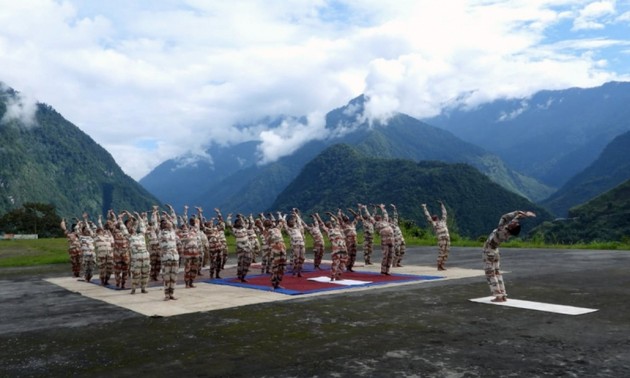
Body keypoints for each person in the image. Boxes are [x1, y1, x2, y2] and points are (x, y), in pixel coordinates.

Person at [483, 210, 536, 302]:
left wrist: (517, 213)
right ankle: (503, 294)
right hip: (495, 251)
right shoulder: (508, 232)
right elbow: (515, 221)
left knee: (490, 273)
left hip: (489, 250)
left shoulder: (501, 230)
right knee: (497, 272)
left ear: (510, 227)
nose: (510, 224)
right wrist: (523, 215)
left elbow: (504, 217)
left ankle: (498, 296)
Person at [120, 211, 151, 294]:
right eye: (130, 228)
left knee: (145, 272)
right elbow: (123, 228)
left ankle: (143, 288)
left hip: (145, 257)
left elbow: (142, 226)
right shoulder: (129, 237)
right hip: (136, 258)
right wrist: (120, 219)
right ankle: (133, 288)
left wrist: (138, 216)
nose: (132, 229)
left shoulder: (141, 235)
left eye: (133, 228)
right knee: (135, 273)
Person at [315, 212, 348, 281]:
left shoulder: (337, 228)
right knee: (336, 262)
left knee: (343, 262)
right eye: (327, 224)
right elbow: (321, 224)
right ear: (327, 226)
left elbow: (337, 220)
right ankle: (333, 276)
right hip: (336, 248)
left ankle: (338, 275)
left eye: (329, 223)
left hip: (343, 247)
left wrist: (331, 214)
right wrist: (317, 216)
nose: (329, 224)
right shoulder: (328, 231)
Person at [159, 205, 180, 300]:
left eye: (168, 222)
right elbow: (156, 223)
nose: (168, 224)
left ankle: (172, 293)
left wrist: (171, 209)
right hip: (166, 257)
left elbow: (174, 220)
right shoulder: (160, 232)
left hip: (174, 257)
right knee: (166, 276)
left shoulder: (172, 232)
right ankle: (166, 294)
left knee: (174, 276)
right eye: (165, 223)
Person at [422, 201, 451, 271]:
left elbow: (444, 213)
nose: (435, 217)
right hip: (442, 239)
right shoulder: (434, 223)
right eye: (434, 217)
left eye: (436, 217)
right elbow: (428, 216)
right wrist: (424, 207)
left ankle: (442, 265)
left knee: (446, 252)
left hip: (447, 238)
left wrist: (442, 205)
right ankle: (439, 265)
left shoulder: (443, 221)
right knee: (441, 252)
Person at [226, 213, 253, 283]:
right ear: (235, 224)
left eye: (240, 222)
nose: (240, 223)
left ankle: (243, 275)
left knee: (248, 261)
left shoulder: (244, 228)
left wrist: (241, 216)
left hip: (247, 247)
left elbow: (244, 222)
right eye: (238, 222)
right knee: (241, 262)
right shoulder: (234, 229)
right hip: (240, 248)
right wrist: (229, 217)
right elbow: (228, 224)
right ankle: (241, 276)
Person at [94, 215, 115, 286]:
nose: (101, 232)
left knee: (110, 268)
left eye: (101, 231)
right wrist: (99, 219)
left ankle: (107, 280)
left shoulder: (108, 236)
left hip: (109, 254)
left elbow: (112, 243)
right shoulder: (96, 237)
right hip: (101, 255)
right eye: (99, 231)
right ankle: (102, 281)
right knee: (102, 268)